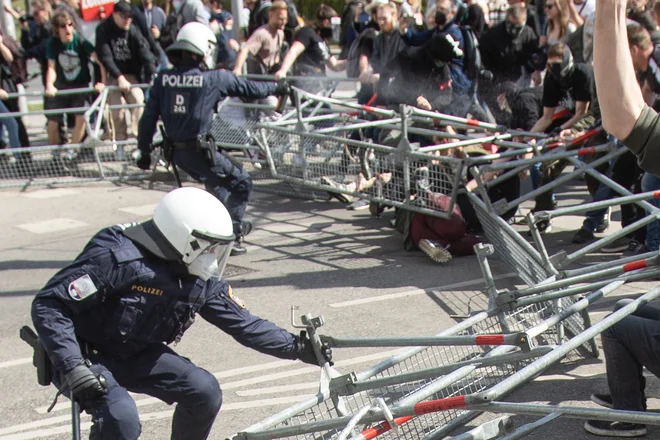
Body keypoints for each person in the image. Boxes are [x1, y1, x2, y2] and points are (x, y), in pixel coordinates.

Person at [30, 186, 331, 440]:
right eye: (209, 248)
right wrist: (72, 366)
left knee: (204, 391)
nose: (213, 258)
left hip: (136, 353)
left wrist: (297, 347)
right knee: (121, 418)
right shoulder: (118, 258)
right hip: (84, 356)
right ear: (184, 238)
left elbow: (243, 324)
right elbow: (49, 305)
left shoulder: (196, 275)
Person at [136, 22, 289, 256]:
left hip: (177, 154)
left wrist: (144, 151)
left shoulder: (163, 78)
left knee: (217, 186)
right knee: (241, 182)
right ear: (205, 49)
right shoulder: (214, 78)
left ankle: (216, 234)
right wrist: (277, 86)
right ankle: (231, 235)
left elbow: (148, 118)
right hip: (200, 151)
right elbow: (250, 88)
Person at [96, 0, 156, 153]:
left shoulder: (133, 30)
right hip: (113, 75)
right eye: (123, 16)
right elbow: (105, 56)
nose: (127, 20)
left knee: (138, 101)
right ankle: (120, 145)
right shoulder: (103, 29)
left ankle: (140, 141)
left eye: (130, 16)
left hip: (131, 75)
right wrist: (118, 77)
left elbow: (145, 51)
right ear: (115, 14)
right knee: (117, 110)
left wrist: (152, 73)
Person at [45, 9, 104, 159]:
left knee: (81, 118)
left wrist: (101, 82)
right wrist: (49, 85)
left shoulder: (81, 41)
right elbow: (51, 67)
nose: (68, 29)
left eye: (70, 25)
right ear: (57, 30)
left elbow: (100, 62)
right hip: (61, 85)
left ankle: (72, 151)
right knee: (52, 122)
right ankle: (56, 154)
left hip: (80, 84)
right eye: (63, 26)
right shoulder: (53, 43)